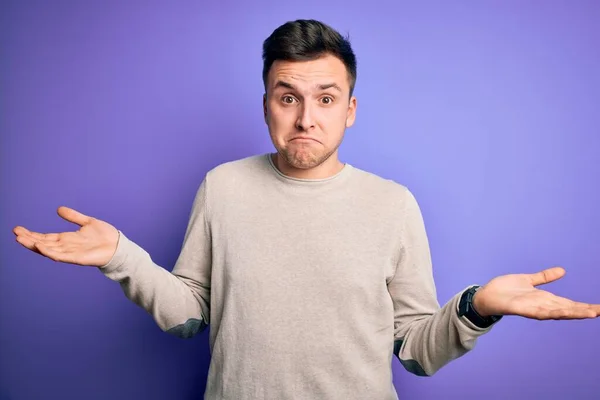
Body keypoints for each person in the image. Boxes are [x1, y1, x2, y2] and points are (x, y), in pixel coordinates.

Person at [13, 19, 599, 400]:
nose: (305, 118)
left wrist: (477, 307)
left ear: (350, 109)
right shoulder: (223, 186)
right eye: (287, 97)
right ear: (267, 102)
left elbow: (414, 352)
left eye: (325, 99)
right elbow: (190, 314)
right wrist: (121, 256)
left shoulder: (392, 204)